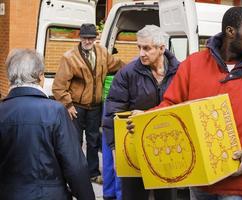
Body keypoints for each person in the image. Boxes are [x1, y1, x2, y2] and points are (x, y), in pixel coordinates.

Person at [128, 6, 242, 200]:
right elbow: (171, 105)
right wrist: (147, 118)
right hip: (200, 180)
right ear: (230, 31)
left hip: (238, 182)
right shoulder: (193, 64)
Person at [0, 49, 95, 200]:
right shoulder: (55, 111)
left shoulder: (2, 111)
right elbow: (75, 165)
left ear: (10, 77)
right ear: (40, 77)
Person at [102, 25, 180, 200]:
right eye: (139, 47)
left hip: (168, 148)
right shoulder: (127, 74)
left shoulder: (179, 71)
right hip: (134, 148)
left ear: (162, 48)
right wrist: (116, 150)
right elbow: (112, 113)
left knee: (167, 196)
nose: (141, 53)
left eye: (147, 48)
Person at [52, 23, 125, 184]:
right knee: (75, 142)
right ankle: (75, 174)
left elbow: (117, 65)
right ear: (80, 37)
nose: (88, 41)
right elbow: (58, 86)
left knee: (93, 141)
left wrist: (134, 68)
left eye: (91, 38)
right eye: (85, 37)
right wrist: (68, 105)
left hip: (95, 107)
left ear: (95, 38)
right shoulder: (69, 57)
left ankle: (92, 173)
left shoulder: (103, 53)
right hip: (76, 107)